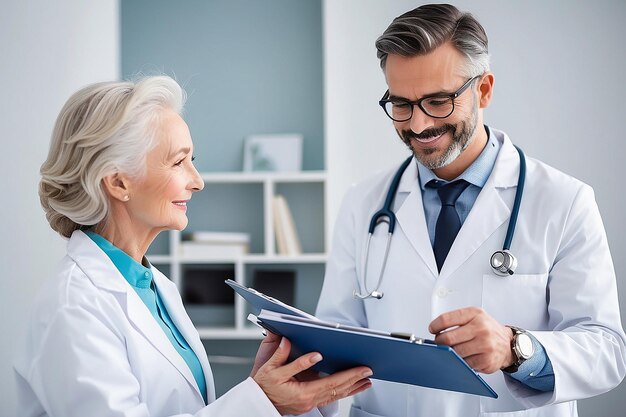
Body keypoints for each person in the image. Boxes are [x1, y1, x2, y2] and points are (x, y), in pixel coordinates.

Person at [315, 4, 626, 417]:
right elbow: (334, 337)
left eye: (438, 101)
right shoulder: (363, 203)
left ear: (483, 90)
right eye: (402, 104)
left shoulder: (564, 201)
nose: (419, 125)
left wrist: (516, 348)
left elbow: (606, 350)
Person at [13, 76, 372, 417]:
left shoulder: (153, 287)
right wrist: (259, 401)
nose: (197, 182)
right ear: (120, 182)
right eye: (178, 162)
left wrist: (269, 388)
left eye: (192, 161)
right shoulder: (73, 306)